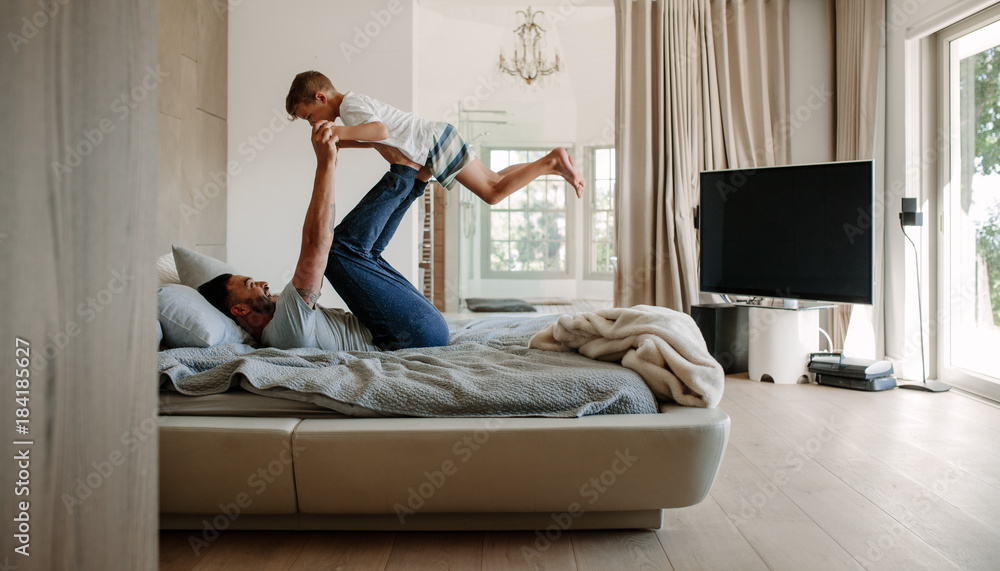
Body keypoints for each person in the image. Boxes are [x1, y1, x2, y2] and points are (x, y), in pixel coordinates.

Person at [198, 120, 449, 351]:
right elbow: (316, 243)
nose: (263, 283)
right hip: (417, 335)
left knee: (364, 255)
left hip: (421, 331)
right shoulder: (284, 328)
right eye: (250, 285)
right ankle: (405, 173)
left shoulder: (281, 329)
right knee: (338, 252)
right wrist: (325, 163)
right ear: (240, 309)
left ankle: (417, 177)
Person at [284, 70, 586, 205]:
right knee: (493, 178)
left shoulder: (349, 108)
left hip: (434, 142)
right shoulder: (352, 108)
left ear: (320, 97)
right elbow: (370, 138)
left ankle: (551, 162)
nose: (312, 123)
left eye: (308, 116)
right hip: (438, 135)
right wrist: (338, 143)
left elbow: (380, 132)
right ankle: (549, 161)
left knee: (493, 194)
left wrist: (336, 132)